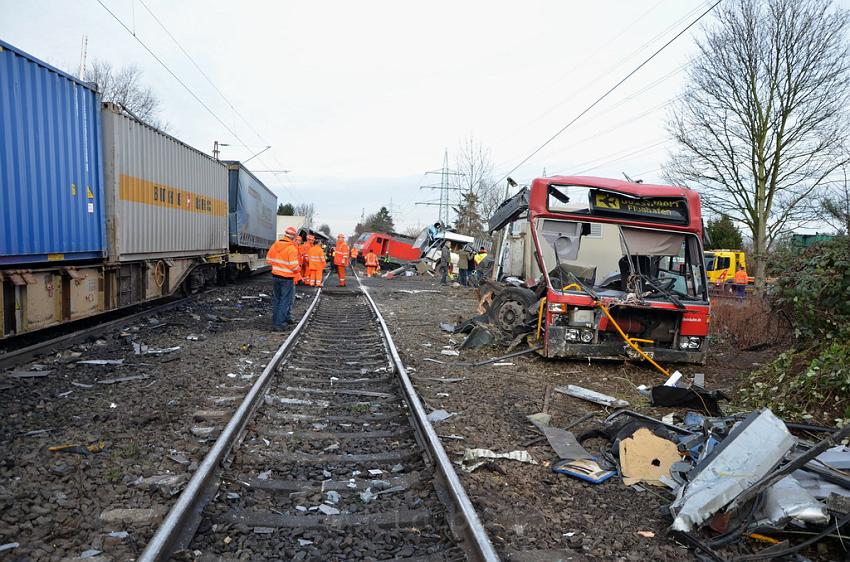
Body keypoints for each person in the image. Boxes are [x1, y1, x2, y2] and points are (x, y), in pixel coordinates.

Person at [266, 227, 301, 330]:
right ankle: (279, 324)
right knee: (285, 301)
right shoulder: (291, 248)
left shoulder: (275, 245)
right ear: (294, 237)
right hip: (286, 278)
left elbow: (268, 260)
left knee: (277, 299)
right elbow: (294, 267)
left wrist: (278, 265)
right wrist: (299, 269)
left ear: (285, 235)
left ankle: (276, 320)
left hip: (275, 276)